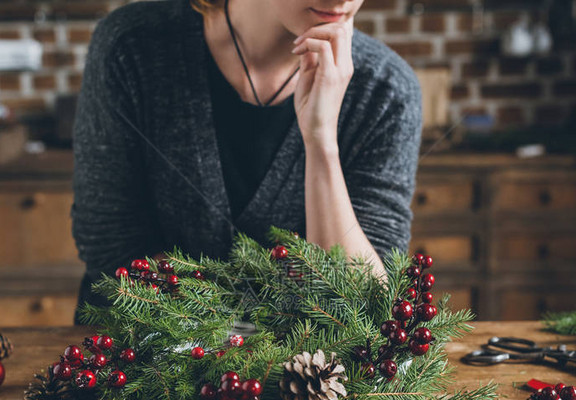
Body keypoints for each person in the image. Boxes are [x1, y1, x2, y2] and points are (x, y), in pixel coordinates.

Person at [71, 0, 422, 321]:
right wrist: (271, 313)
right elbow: (111, 249)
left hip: (300, 384)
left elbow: (369, 305)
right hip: (135, 365)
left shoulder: (387, 90)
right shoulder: (131, 47)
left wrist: (321, 142)